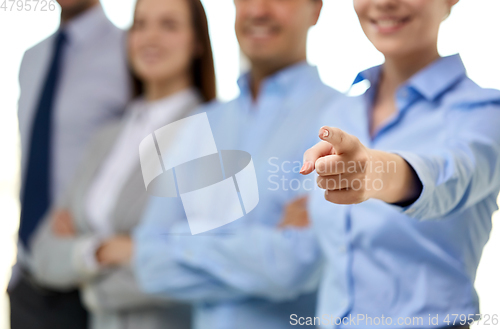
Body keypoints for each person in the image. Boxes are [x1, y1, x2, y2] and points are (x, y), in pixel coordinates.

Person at [133, 0, 342, 328]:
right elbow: (148, 262)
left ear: (315, 9)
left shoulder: (342, 120)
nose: (258, 10)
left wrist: (180, 239)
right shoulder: (200, 123)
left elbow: (295, 265)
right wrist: (263, 245)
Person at [299, 0, 500, 328]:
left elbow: (450, 175)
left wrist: (375, 173)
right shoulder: (339, 114)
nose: (383, 2)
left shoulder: (485, 113)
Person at [29, 0, 216, 328]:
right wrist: (101, 252)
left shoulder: (210, 133)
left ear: (197, 42)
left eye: (168, 25)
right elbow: (44, 251)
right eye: (140, 25)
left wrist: (87, 279)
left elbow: (202, 265)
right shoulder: (107, 137)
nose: (150, 37)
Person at [9, 0, 130, 328]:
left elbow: (148, 147)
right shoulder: (31, 58)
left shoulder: (129, 49)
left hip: (91, 281)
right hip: (28, 280)